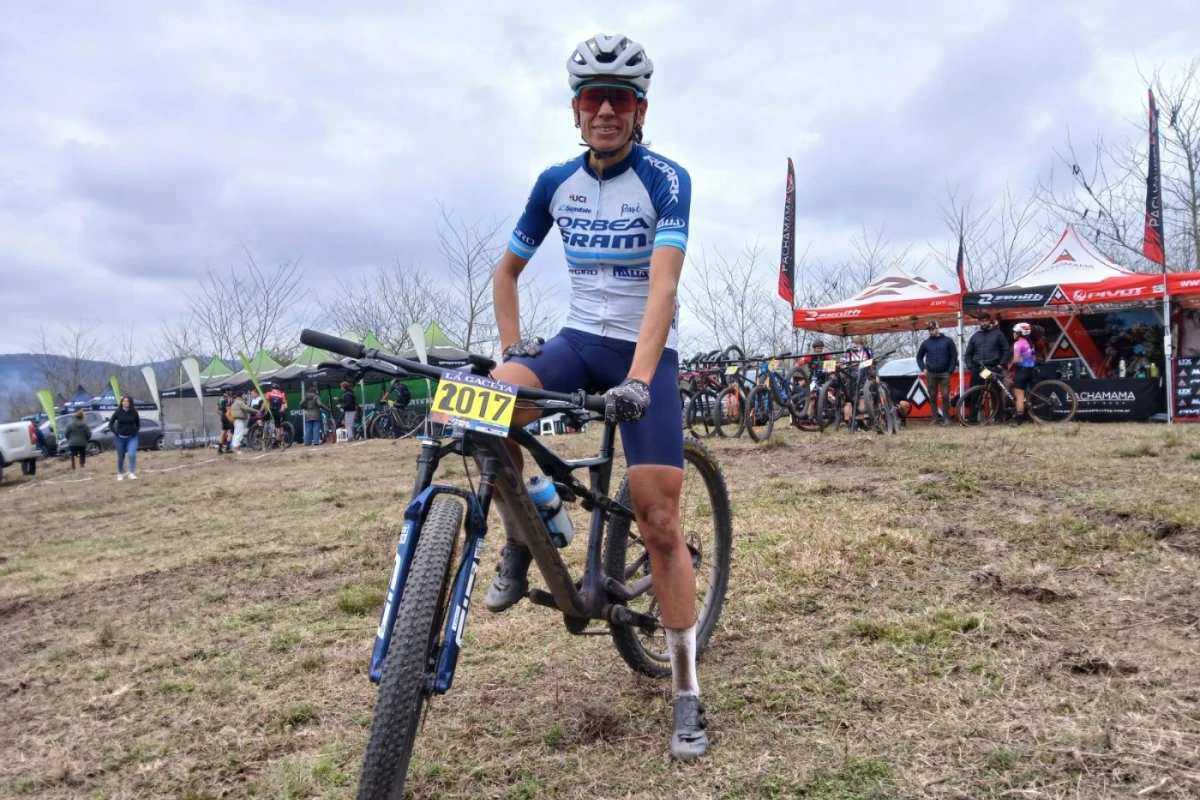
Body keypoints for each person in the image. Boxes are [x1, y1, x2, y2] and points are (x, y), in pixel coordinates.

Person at [482, 34, 707, 761]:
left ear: (640, 110)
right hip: (577, 341)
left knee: (658, 519)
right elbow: (506, 273)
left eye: (620, 98)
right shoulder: (555, 182)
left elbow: (663, 287)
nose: (605, 110)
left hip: (645, 351)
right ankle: (528, 527)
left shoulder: (667, 179)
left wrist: (639, 379)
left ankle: (686, 689)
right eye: (592, 98)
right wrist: (514, 348)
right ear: (575, 109)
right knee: (488, 409)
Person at [963, 314, 1011, 423]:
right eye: (982, 321)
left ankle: (999, 418)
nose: (984, 323)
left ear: (990, 321)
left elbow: (1006, 350)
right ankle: (973, 418)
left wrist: (1001, 364)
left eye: (986, 320)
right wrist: (970, 366)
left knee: (996, 393)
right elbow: (968, 354)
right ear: (979, 322)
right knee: (975, 394)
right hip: (978, 369)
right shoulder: (975, 336)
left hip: (993, 367)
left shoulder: (998, 334)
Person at [915, 321, 958, 425]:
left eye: (933, 329)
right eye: (929, 329)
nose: (931, 331)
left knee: (945, 395)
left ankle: (946, 417)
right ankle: (934, 417)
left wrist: (950, 369)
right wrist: (923, 368)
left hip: (945, 373)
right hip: (931, 373)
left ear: (938, 328)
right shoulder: (926, 343)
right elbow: (919, 357)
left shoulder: (948, 341)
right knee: (932, 396)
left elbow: (954, 355)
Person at [841, 337, 874, 425]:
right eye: (855, 343)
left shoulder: (867, 351)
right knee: (850, 401)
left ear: (862, 343)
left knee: (860, 400)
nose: (856, 345)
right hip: (852, 377)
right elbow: (843, 363)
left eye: (858, 343)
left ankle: (859, 422)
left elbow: (871, 364)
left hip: (862, 377)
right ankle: (850, 423)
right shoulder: (848, 351)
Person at [108, 396, 141, 480]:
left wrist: (135, 432)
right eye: (123, 401)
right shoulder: (118, 412)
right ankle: (120, 474)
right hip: (120, 438)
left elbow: (138, 424)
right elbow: (110, 424)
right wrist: (116, 433)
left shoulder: (134, 412)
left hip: (132, 438)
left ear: (130, 403)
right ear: (121, 402)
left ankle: (131, 473)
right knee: (121, 457)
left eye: (127, 401)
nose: (125, 402)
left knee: (132, 454)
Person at [1010, 322, 1036, 426]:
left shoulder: (1018, 343)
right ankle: (1033, 418)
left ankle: (1019, 422)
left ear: (1019, 333)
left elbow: (1016, 359)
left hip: (1022, 371)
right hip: (1031, 370)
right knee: (1031, 395)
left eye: (1014, 332)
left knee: (1019, 397)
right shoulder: (1030, 343)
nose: (1013, 334)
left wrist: (1010, 365)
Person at [217, 388, 234, 454]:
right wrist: (232, 417)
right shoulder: (229, 398)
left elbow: (217, 409)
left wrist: (221, 415)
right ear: (227, 392)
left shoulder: (220, 399)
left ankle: (219, 449)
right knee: (230, 432)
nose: (231, 392)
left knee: (223, 433)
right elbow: (228, 408)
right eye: (230, 391)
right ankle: (228, 448)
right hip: (228, 417)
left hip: (223, 417)